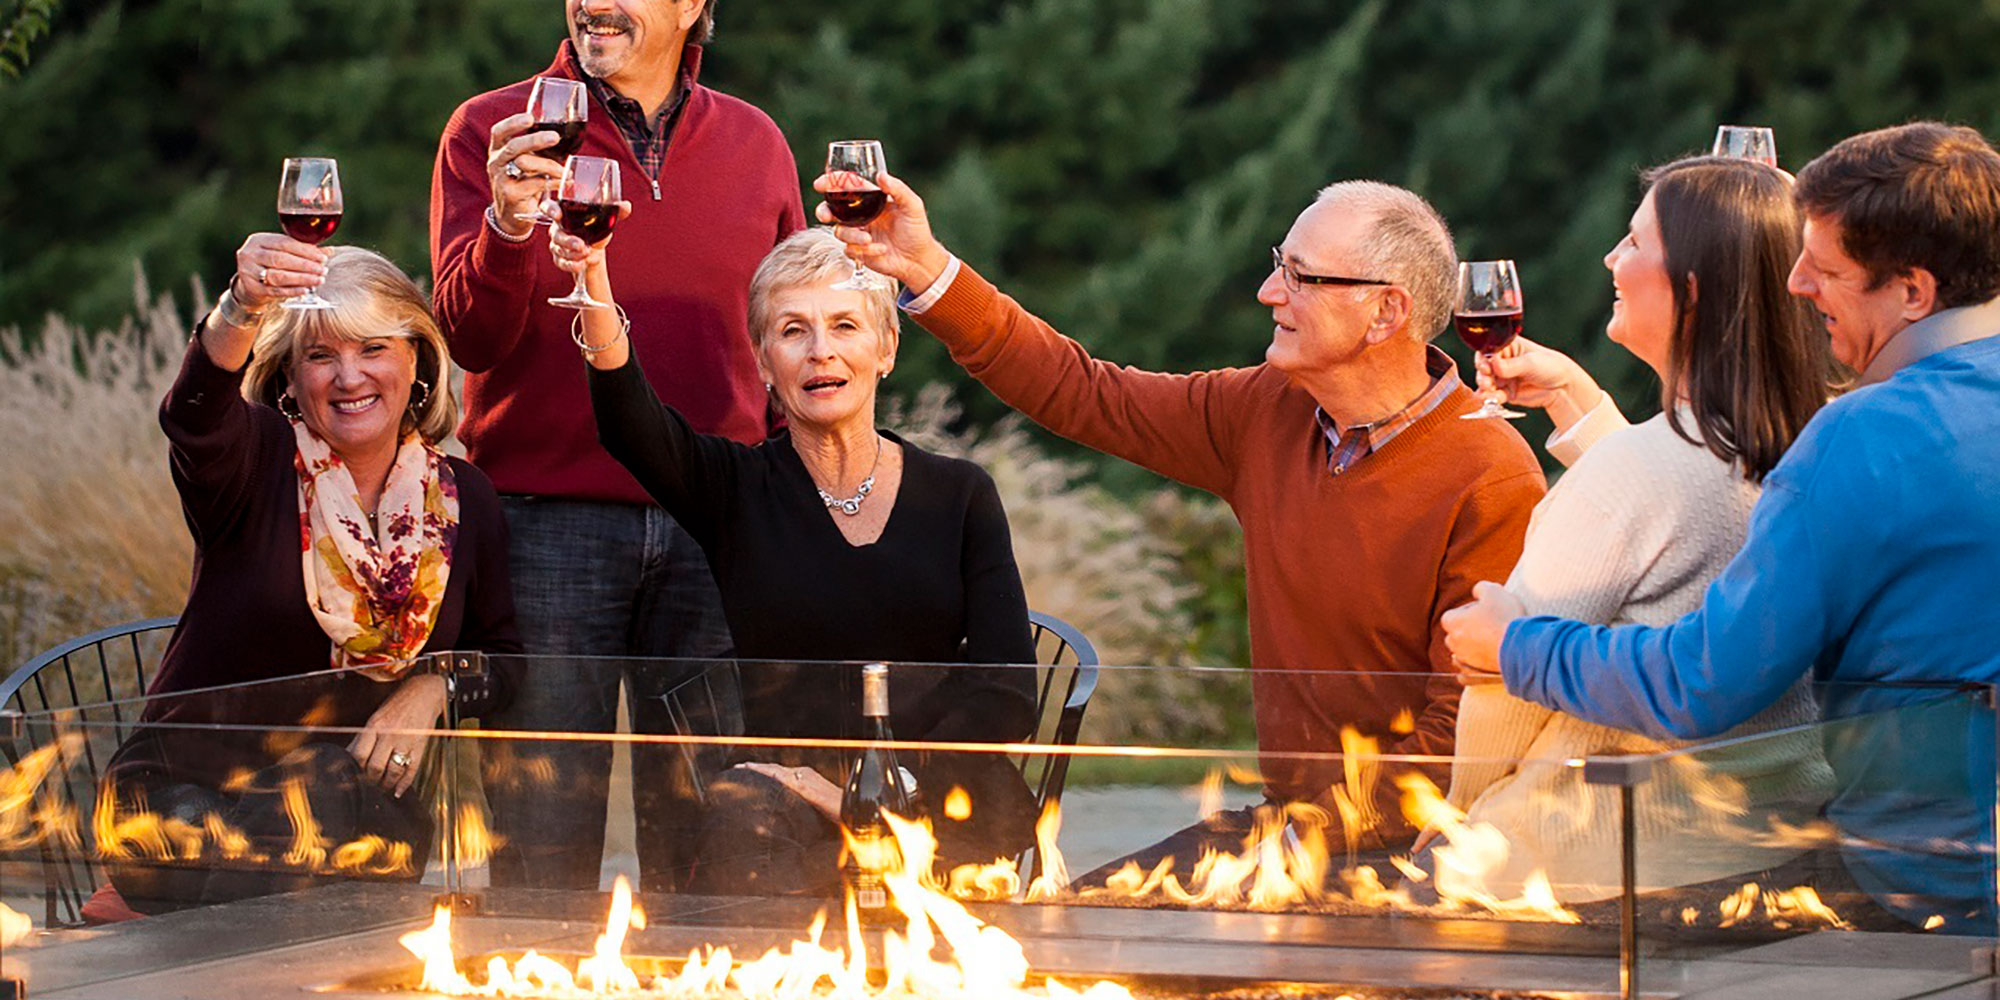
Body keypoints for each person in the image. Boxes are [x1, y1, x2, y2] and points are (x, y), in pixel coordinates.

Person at [818, 172, 1546, 878]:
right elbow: (1081, 390)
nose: (1269, 293)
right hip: (1289, 830)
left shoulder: (1489, 474)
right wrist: (926, 269)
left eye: (1301, 276)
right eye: (1277, 267)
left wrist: (1305, 836)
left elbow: (1461, 739)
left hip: (1419, 856)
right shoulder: (1268, 410)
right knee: (1061, 934)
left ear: (1385, 312)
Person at [1444, 122, 2000, 933]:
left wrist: (1515, 647)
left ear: (1913, 292)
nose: (1798, 284)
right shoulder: (1893, 419)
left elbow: (1703, 679)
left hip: (1928, 881)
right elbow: (1703, 503)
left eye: (1827, 268)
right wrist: (1583, 408)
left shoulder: (1867, 436)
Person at [428, 0, 806, 891]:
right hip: (543, 528)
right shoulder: (496, 129)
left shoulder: (758, 142)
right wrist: (509, 227)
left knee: (717, 840)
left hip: (717, 523)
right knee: (540, 845)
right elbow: (469, 341)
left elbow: (788, 336)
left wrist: (793, 498)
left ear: (692, 7)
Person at [556, 224, 1039, 893]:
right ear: (761, 361)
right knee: (742, 820)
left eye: (844, 325)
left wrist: (878, 793)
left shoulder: (960, 495)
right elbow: (631, 426)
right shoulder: (736, 491)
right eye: (792, 331)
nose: (820, 353)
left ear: (886, 347)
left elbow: (1006, 693)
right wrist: (593, 278)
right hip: (782, 801)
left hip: (941, 796)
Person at [1421, 156, 1836, 905]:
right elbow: (1679, 516)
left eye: (1635, 243)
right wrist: (1578, 398)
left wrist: (1455, 815)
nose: (1612, 259)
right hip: (1764, 843)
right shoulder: (1804, 443)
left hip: (1590, 866)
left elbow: (1501, 686)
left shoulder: (1638, 475)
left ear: (1693, 288)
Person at [104, 239, 520, 914]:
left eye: (372, 348)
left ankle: (199, 960)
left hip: (360, 821)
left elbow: (504, 658)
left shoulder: (464, 500)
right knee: (312, 823)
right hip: (179, 810)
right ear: (290, 378)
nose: (350, 376)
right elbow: (192, 416)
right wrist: (240, 306)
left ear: (415, 359)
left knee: (326, 793)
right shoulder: (256, 461)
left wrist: (431, 686)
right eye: (321, 355)